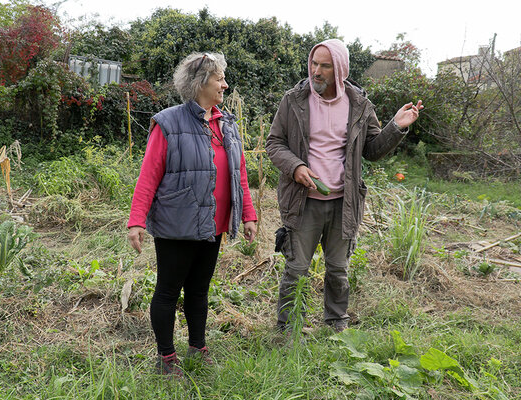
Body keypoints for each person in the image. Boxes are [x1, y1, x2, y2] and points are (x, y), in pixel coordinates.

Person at [266, 39, 423, 333]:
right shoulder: (294, 100)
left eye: (325, 65)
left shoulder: (359, 105)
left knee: (338, 269)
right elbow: (275, 143)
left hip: (343, 202)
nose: (316, 71)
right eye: (314, 64)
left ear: (340, 69)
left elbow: (373, 150)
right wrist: (296, 166)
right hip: (303, 200)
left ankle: (336, 323)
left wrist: (396, 126)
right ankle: (287, 329)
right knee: (296, 269)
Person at [127, 52, 257, 376]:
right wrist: (137, 220)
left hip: (213, 225)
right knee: (169, 291)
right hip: (177, 223)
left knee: (199, 290)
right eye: (219, 79)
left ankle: (198, 348)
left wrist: (248, 214)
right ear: (201, 83)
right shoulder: (169, 123)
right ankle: (166, 358)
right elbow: (149, 175)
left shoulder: (226, 124)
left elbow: (238, 173)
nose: (225, 85)